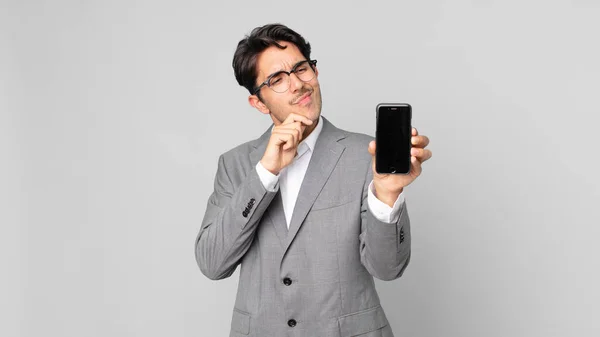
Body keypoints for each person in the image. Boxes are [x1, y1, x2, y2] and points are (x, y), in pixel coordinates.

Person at [195, 23, 432, 337]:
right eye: (277, 79)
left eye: (301, 69)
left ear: (315, 72)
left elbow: (388, 269)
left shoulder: (366, 156)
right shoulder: (235, 165)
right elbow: (213, 263)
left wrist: (387, 195)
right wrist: (265, 173)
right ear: (259, 102)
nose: (297, 85)